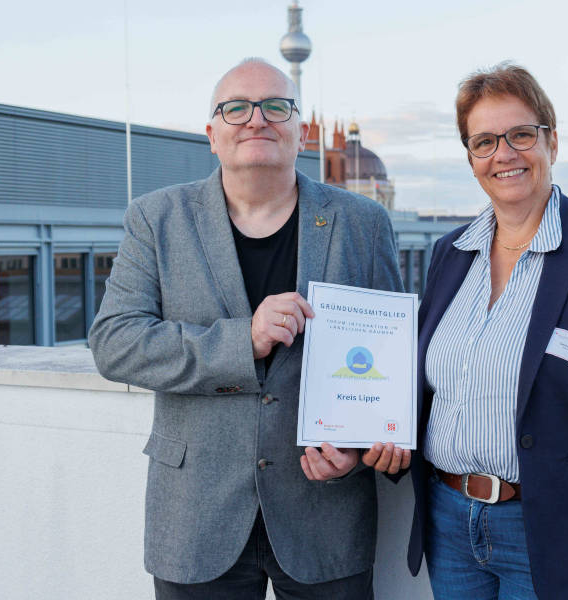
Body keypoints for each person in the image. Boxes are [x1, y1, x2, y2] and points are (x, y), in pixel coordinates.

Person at [88, 58, 404, 599]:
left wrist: (359, 449)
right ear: (211, 134)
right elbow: (115, 343)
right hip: (195, 515)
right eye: (235, 108)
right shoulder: (156, 218)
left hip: (325, 511)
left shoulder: (362, 222)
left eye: (275, 107)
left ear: (300, 131)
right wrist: (243, 340)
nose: (256, 119)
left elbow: (390, 360)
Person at [387, 63, 568, 600]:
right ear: (471, 158)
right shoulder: (450, 253)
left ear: (552, 141)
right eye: (484, 141)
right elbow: (430, 383)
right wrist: (380, 436)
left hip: (554, 532)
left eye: (521, 135)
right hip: (450, 522)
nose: (504, 154)